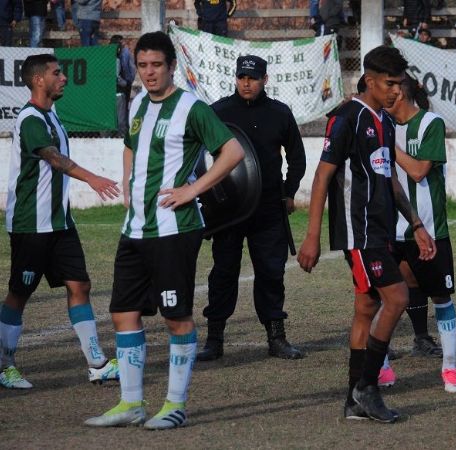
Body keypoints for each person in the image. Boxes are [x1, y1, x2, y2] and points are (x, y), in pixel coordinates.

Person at [84, 31, 244, 429]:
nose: (149, 72)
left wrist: (193, 189)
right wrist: (127, 184)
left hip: (175, 230)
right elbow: (129, 144)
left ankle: (174, 404)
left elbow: (232, 151)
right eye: (142, 66)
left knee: (176, 317)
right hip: (134, 229)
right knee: (123, 313)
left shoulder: (191, 107)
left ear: (172, 66)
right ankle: (131, 403)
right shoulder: (139, 103)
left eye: (157, 65)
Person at [297, 45, 436, 423]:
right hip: (358, 234)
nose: (397, 91)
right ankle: (368, 386)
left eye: (400, 84)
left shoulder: (386, 121)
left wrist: (417, 225)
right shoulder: (346, 118)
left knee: (367, 308)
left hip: (383, 231)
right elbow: (323, 175)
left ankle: (353, 400)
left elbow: (389, 177)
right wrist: (312, 236)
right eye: (390, 84)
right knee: (398, 297)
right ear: (370, 80)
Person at [1, 53, 121, 390]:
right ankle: (4, 364)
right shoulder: (30, 119)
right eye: (57, 73)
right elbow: (54, 159)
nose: (64, 77)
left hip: (60, 223)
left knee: (79, 285)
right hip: (31, 224)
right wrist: (93, 178)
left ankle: (97, 364)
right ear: (39, 80)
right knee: (19, 294)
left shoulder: (51, 117)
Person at [197, 55, 306, 362]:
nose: (246, 83)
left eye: (253, 78)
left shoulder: (279, 113)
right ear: (235, 78)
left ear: (264, 80)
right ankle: (214, 338)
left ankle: (277, 338)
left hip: (269, 208)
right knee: (223, 272)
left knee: (271, 272)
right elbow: (197, 155)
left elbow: (297, 157)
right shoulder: (218, 111)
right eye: (242, 77)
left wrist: (289, 192)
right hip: (228, 211)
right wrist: (207, 195)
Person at [384, 74, 456, 392]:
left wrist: (386, 144)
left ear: (399, 94)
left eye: (388, 90)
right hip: (391, 229)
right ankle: (382, 367)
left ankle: (449, 368)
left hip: (429, 230)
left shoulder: (431, 123)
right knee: (386, 297)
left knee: (441, 297)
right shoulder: (381, 123)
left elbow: (418, 172)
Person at [110, 34, 135, 136]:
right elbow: (130, 69)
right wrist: (126, 82)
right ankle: (121, 135)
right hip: (120, 88)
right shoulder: (118, 57)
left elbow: (130, 68)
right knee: (121, 115)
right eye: (121, 42)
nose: (123, 43)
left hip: (120, 86)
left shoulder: (124, 53)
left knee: (121, 112)